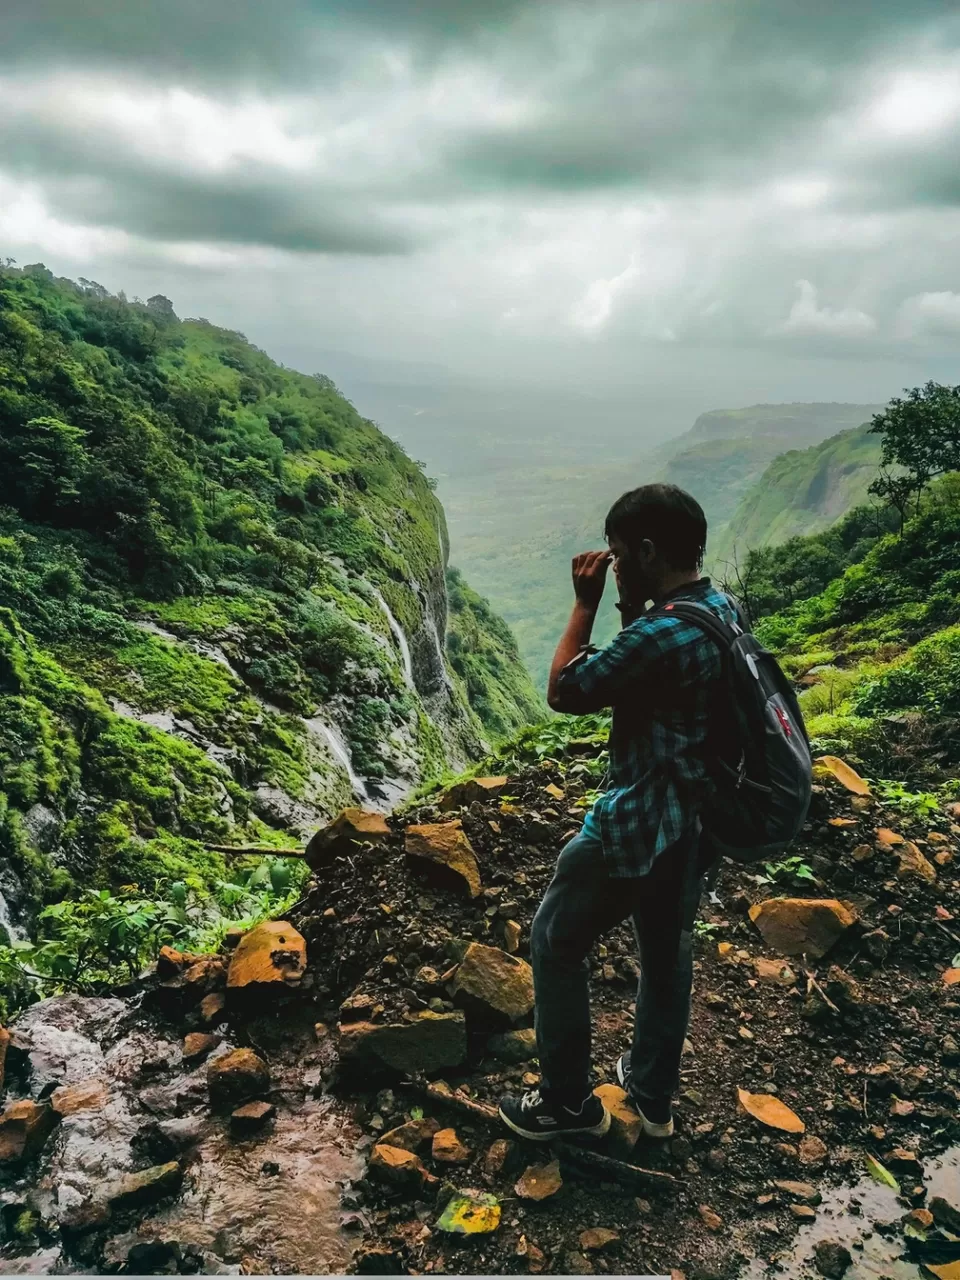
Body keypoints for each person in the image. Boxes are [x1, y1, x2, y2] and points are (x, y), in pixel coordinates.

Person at [498, 482, 742, 1142]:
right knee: (665, 955)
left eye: (617, 552)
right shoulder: (716, 608)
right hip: (694, 821)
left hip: (637, 820)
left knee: (555, 941)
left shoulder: (662, 631)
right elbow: (654, 673)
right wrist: (633, 600)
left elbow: (567, 690)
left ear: (645, 549)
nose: (610, 562)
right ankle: (654, 1099)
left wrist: (585, 605)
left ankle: (564, 1107)